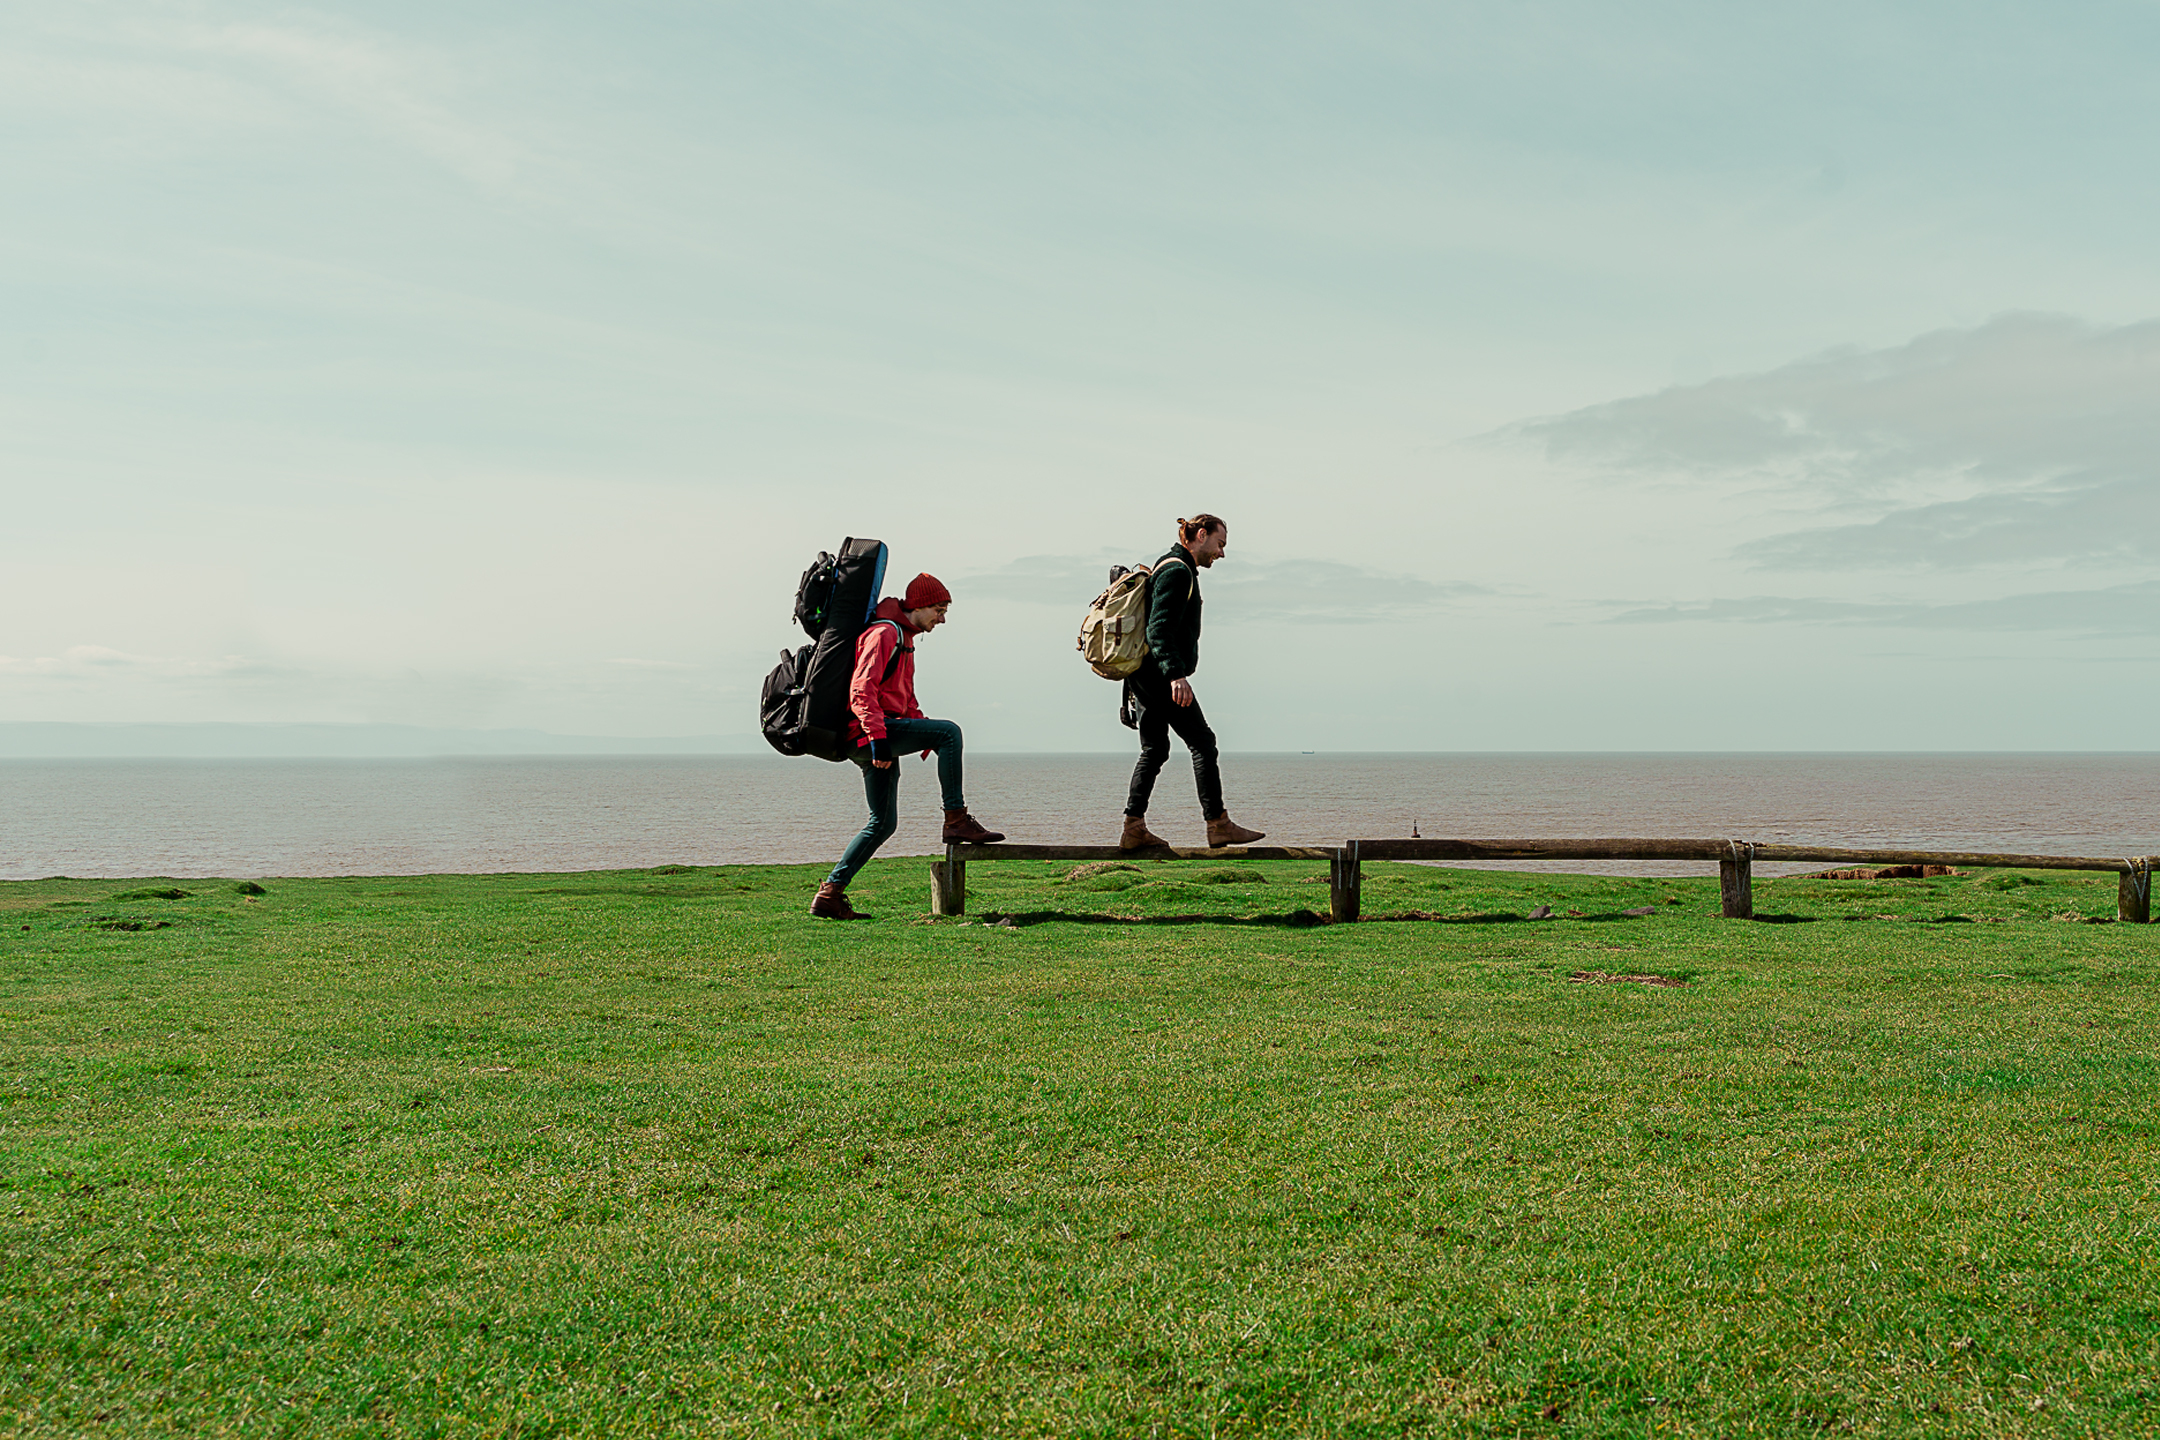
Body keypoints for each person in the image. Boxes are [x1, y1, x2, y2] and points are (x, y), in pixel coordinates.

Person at [812, 572, 1004, 919]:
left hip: (877, 733)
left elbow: (901, 698)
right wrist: (880, 742)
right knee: (951, 731)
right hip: (868, 734)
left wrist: (922, 730)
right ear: (918, 605)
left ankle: (830, 894)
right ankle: (956, 819)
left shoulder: (904, 638)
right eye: (939, 609)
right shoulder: (885, 633)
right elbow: (862, 691)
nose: (942, 619)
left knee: (882, 823)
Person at [1119, 514, 1266, 850]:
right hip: (1160, 675)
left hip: (1143, 674)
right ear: (1201, 535)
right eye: (1220, 544)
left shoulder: (1166, 565)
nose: (1222, 553)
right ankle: (1218, 824)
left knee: (1154, 750)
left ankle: (1133, 827)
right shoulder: (1177, 571)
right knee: (1203, 742)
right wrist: (1176, 675)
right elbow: (1157, 629)